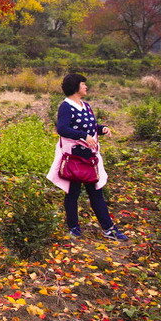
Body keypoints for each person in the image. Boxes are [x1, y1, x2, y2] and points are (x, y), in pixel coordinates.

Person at [46, 72, 128, 241]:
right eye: (83, 84)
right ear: (76, 86)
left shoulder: (86, 105)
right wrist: (83, 136)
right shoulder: (66, 106)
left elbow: (91, 126)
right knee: (73, 192)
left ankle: (108, 229)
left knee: (96, 192)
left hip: (89, 157)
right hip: (75, 157)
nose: (86, 87)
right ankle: (74, 227)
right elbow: (62, 129)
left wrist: (102, 129)